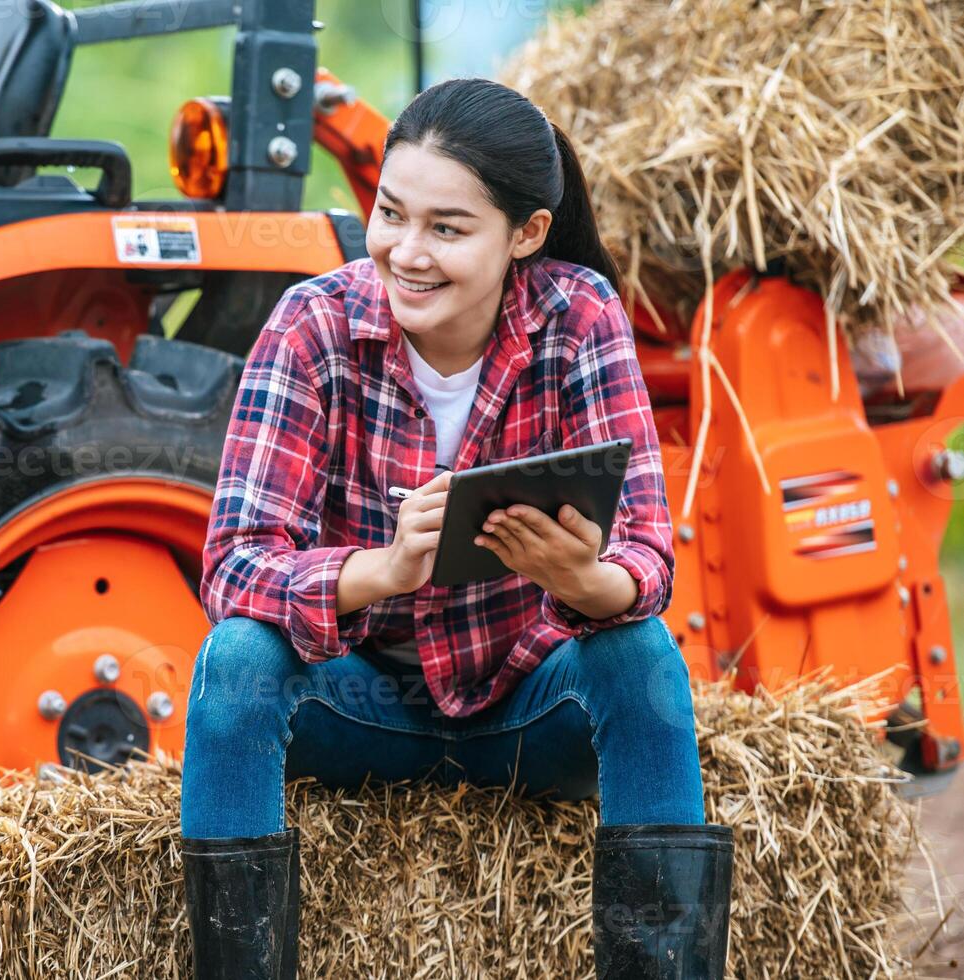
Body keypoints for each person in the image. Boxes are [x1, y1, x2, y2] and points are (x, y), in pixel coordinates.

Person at [178, 78, 734, 980]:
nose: (407, 251)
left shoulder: (577, 314)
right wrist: (380, 570)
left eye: (447, 227)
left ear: (526, 234)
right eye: (390, 213)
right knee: (236, 662)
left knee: (639, 656)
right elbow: (234, 567)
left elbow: (644, 551)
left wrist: (585, 583)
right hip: (355, 710)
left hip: (527, 706)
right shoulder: (312, 325)